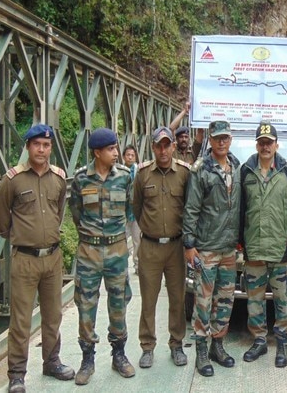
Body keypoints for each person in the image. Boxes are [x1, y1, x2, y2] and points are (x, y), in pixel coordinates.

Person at [0, 124, 74, 393]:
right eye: (37, 144)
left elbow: (59, 211)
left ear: (51, 148)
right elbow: (3, 222)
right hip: (25, 259)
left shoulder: (59, 178)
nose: (42, 149)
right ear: (28, 147)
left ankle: (51, 362)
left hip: (53, 258)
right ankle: (17, 374)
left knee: (53, 316)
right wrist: (24, 238)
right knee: (21, 320)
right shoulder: (13, 180)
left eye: (46, 145)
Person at [69, 128, 135, 385]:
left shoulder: (124, 177)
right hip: (89, 252)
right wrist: (92, 236)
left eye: (116, 148)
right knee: (86, 304)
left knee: (118, 302)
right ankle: (88, 359)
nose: (116, 153)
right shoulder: (81, 179)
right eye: (110, 149)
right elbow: (76, 213)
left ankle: (119, 355)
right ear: (97, 153)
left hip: (117, 251)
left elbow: (130, 208)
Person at [182, 120, 241, 377]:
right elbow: (191, 209)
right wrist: (189, 245)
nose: (221, 142)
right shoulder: (200, 170)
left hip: (228, 248)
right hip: (206, 248)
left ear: (230, 139)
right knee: (203, 303)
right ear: (210, 138)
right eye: (217, 138)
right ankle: (201, 351)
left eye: (225, 137)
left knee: (225, 300)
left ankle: (218, 345)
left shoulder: (237, 166)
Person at [240, 122, 287, 368]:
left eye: (269, 142)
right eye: (262, 142)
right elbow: (240, 209)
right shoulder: (245, 171)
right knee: (254, 299)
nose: (266, 146)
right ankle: (259, 340)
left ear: (276, 144)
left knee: (282, 299)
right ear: (257, 144)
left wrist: (283, 232)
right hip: (253, 248)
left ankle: (282, 342)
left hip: (279, 249)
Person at [132, 127, 190, 369]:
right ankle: (147, 346)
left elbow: (190, 207)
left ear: (174, 147)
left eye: (167, 145)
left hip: (176, 247)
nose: (163, 150)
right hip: (151, 246)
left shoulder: (185, 174)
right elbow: (136, 207)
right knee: (149, 299)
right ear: (153, 148)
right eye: (159, 146)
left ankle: (176, 344)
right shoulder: (143, 174)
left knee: (178, 298)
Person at [123, 144, 141, 274]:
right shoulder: (118, 171)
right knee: (121, 238)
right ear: (123, 157)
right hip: (122, 211)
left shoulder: (139, 172)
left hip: (135, 211)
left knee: (137, 240)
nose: (130, 157)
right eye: (128, 155)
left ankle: (137, 265)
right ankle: (121, 263)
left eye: (132, 155)